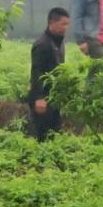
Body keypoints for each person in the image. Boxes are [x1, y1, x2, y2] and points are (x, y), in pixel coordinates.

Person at [27, 7, 69, 139]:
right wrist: (39, 97)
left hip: (54, 97)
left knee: (55, 132)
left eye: (67, 24)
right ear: (52, 22)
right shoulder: (42, 44)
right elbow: (36, 71)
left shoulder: (59, 42)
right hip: (43, 97)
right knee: (42, 134)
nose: (66, 27)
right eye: (63, 24)